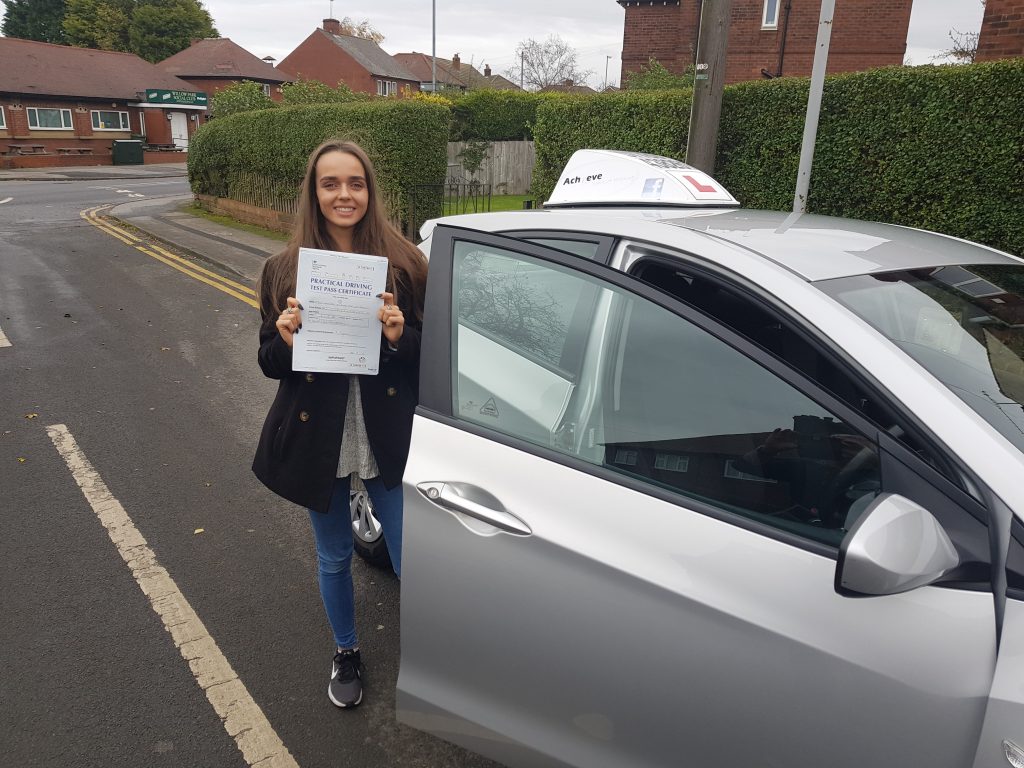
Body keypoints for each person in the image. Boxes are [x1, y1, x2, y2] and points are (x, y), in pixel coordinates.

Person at [252, 139, 427, 709]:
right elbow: (267, 362)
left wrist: (400, 340)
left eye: (355, 183)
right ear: (314, 192)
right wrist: (283, 339)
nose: (344, 195)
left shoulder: (406, 264)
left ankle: (430, 661)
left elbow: (431, 353)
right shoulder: (283, 270)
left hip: (387, 430)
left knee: (408, 554)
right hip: (319, 431)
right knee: (332, 555)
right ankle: (346, 650)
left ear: (369, 191)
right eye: (331, 184)